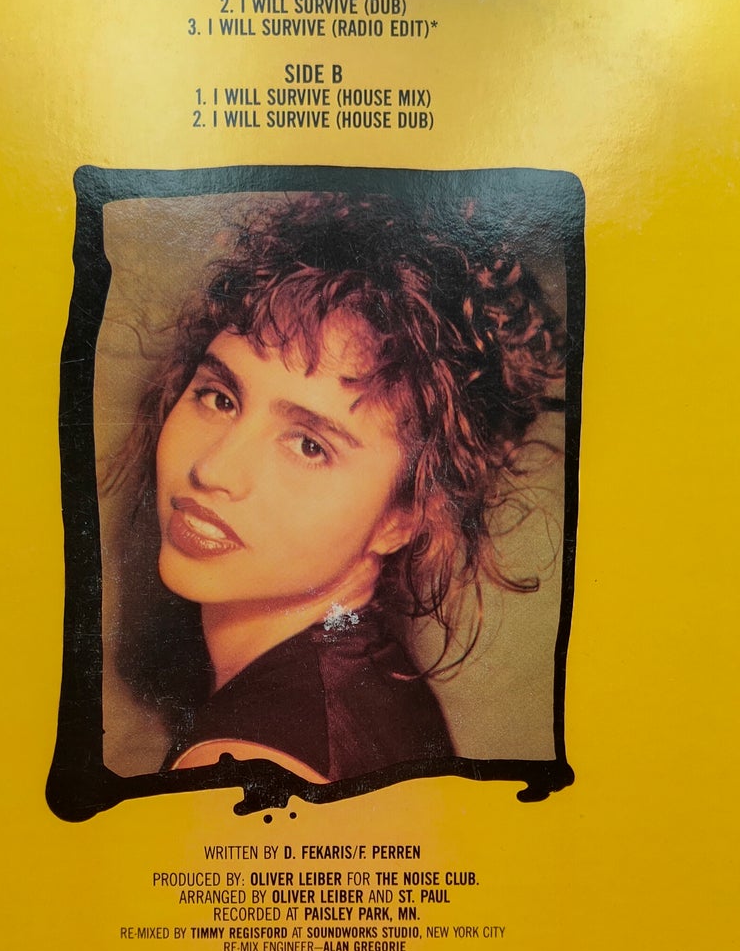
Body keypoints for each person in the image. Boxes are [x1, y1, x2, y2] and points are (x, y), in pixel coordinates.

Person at [107, 191, 565, 783]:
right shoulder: (359, 682)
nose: (213, 470)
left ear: (403, 517)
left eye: (308, 445)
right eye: (220, 398)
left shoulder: (249, 763)